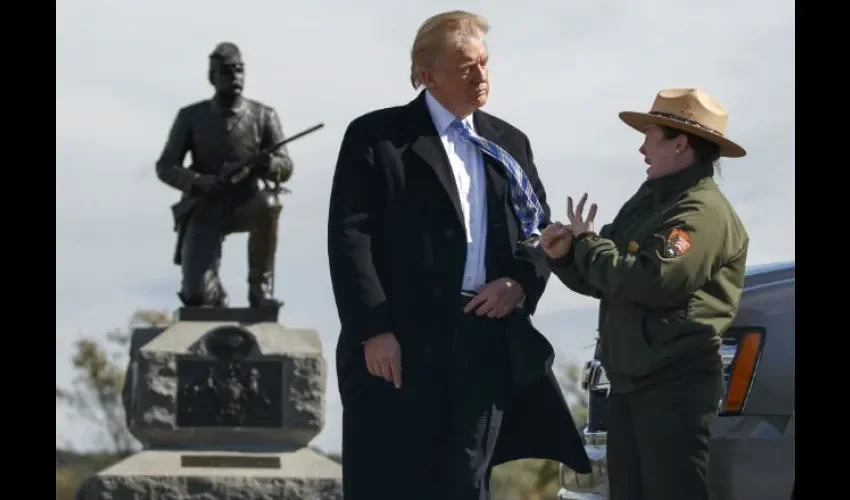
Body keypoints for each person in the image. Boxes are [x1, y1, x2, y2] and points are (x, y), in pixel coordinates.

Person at [327, 10, 590, 500]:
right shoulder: (376, 138)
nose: (481, 75)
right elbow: (350, 240)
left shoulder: (509, 144)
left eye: (484, 62)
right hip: (397, 346)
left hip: (481, 342)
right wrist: (374, 330)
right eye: (466, 66)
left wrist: (520, 283)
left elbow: (536, 235)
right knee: (390, 484)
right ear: (427, 75)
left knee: (465, 484)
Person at [540, 88, 750, 500]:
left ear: (681, 142)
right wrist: (567, 256)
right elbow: (610, 279)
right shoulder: (650, 202)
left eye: (650, 135)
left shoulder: (701, 212)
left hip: (674, 385)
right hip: (634, 383)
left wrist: (588, 245)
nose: (641, 147)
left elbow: (652, 282)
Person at [155, 42, 293, 308]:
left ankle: (259, 290)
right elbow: (165, 165)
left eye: (240, 71)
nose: (236, 78)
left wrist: (267, 165)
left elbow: (286, 166)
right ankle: (215, 297)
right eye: (228, 72)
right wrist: (198, 182)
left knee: (270, 204)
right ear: (213, 76)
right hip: (204, 207)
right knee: (197, 299)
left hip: (246, 202)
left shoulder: (264, 116)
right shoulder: (190, 116)